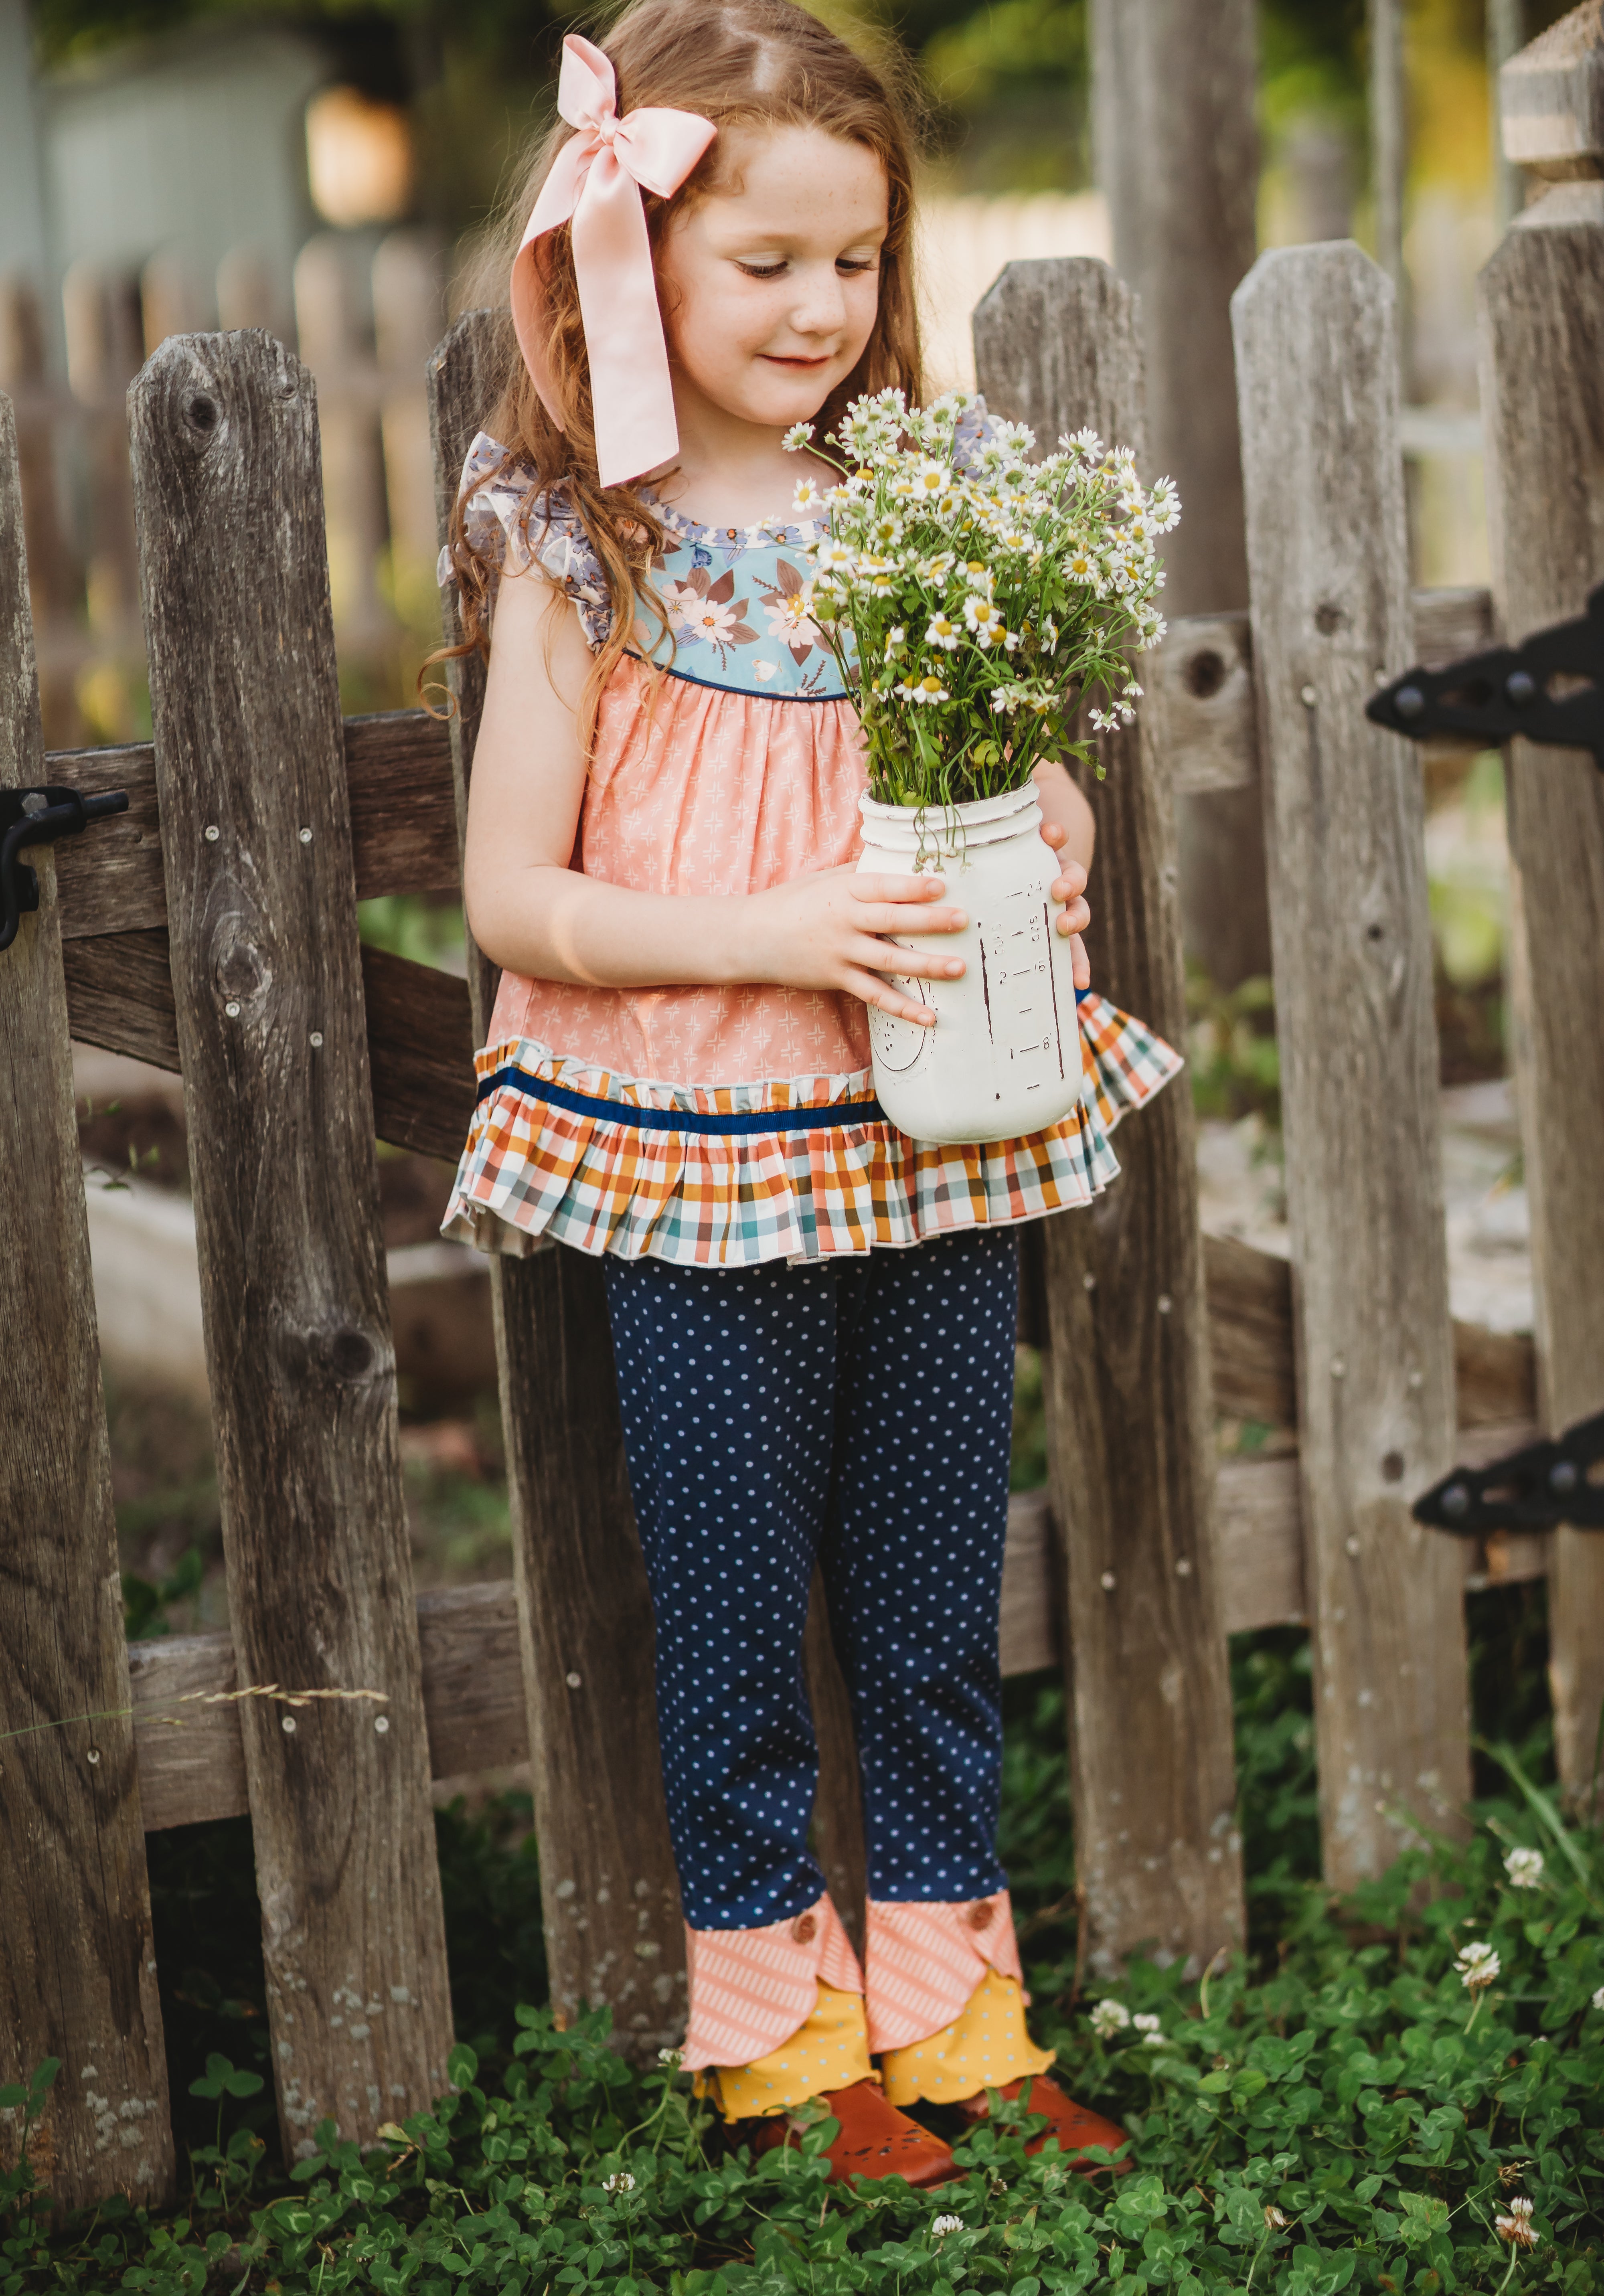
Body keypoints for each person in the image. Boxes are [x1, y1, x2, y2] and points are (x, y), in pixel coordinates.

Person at [434, 0, 1179, 2188]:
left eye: (854, 262)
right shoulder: (585, 526)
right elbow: (513, 895)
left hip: (934, 1120)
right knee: (742, 1605)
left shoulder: (909, 492)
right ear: (634, 257)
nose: (822, 309)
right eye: (767, 263)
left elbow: (969, 760)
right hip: (703, 1145)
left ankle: (955, 2015)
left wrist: (1041, 803)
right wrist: (772, 932)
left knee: (939, 1596)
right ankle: (776, 2046)